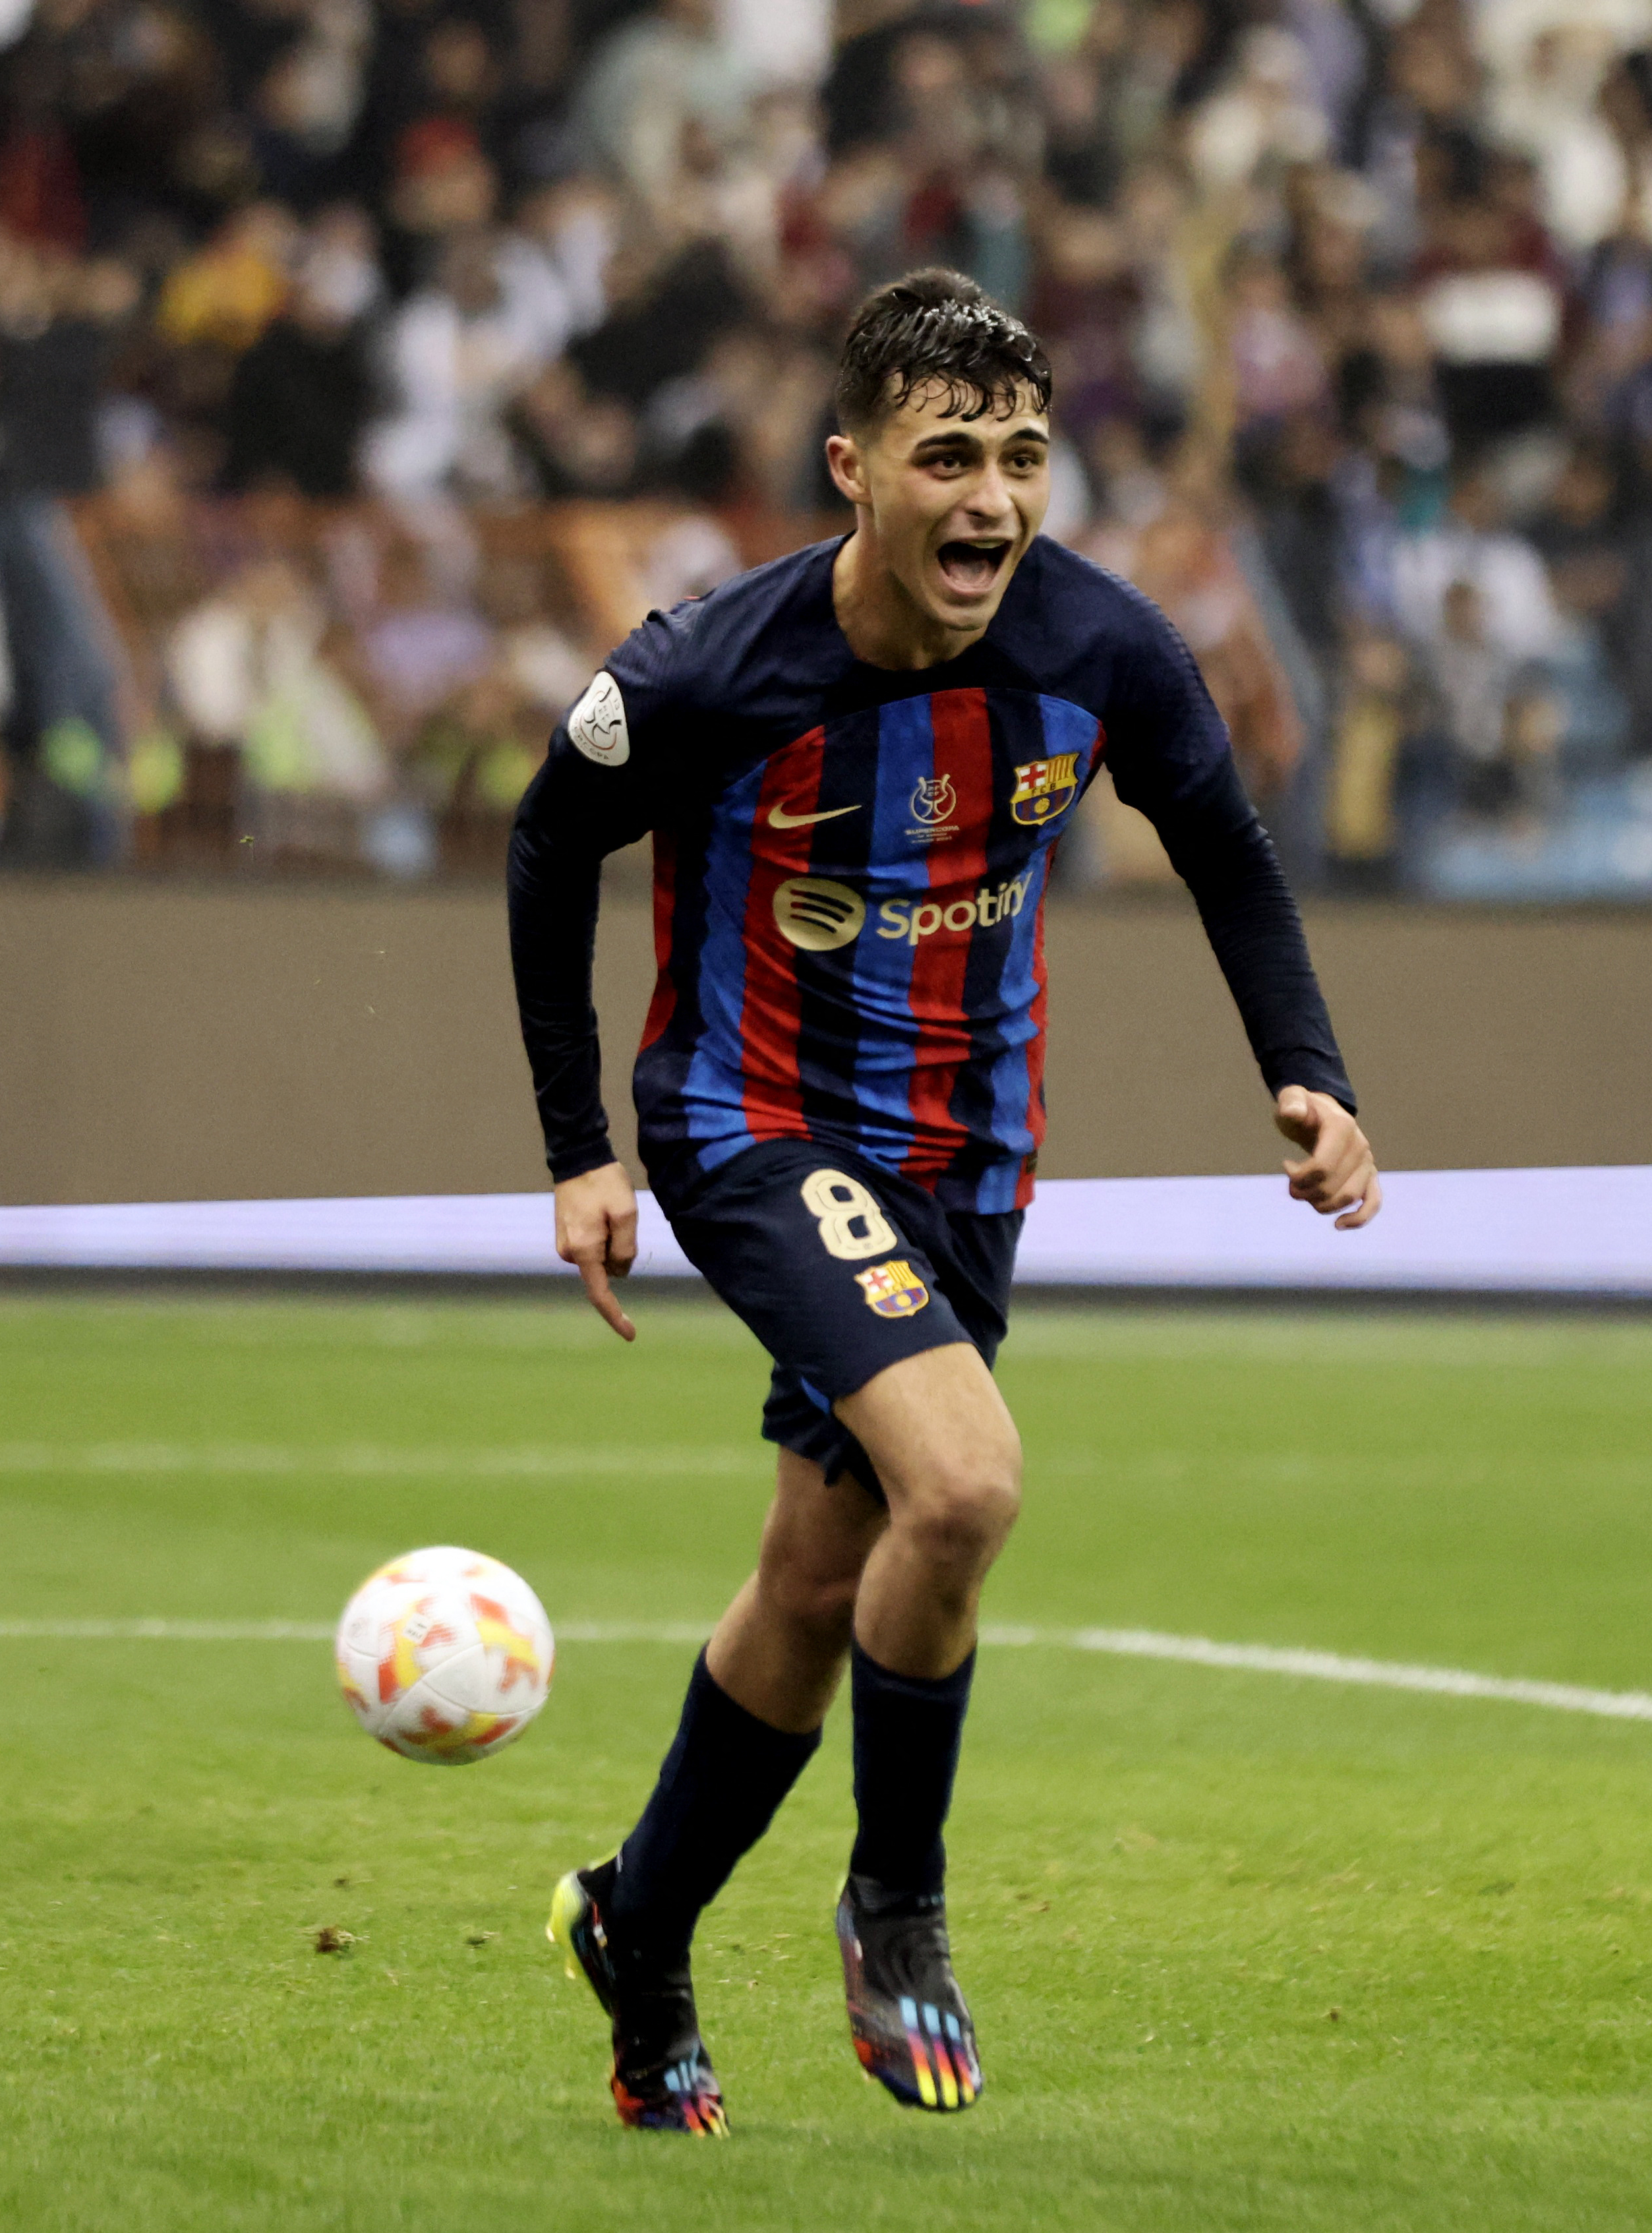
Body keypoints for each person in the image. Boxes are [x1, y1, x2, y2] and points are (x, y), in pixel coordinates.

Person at [506, 270, 1380, 2134]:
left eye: (1022, 459)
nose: (990, 499)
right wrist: (580, 1142)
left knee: (818, 1580)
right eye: (947, 457)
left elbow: (1226, 846)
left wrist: (1309, 1070)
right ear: (854, 470)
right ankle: (896, 1901)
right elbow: (544, 838)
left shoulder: (1107, 650)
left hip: (966, 1155)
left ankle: (637, 1926)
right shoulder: (707, 669)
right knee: (967, 1483)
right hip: (749, 1122)